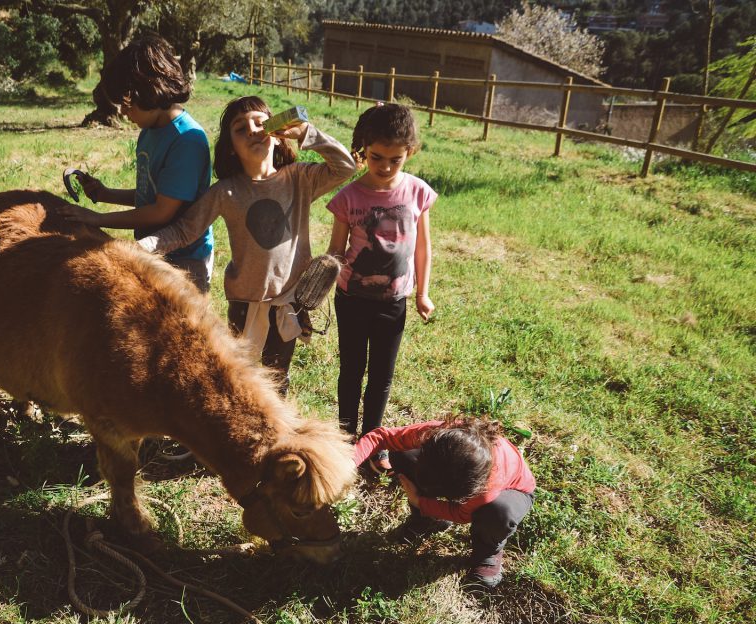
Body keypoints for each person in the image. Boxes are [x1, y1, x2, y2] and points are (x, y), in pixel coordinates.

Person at [137, 96, 356, 391]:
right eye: (240, 128)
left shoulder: (300, 180)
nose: (253, 130)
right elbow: (185, 231)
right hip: (243, 303)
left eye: (260, 123)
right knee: (241, 379)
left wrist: (306, 133)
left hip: (288, 302)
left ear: (278, 136)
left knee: (277, 379)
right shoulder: (225, 192)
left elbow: (346, 166)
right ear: (231, 147)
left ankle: (275, 433)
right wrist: (144, 245)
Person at [58, 33, 214, 292]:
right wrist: (106, 193)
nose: (121, 111)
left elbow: (161, 211)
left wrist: (96, 219)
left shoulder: (186, 140)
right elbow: (150, 196)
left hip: (185, 260)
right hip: (154, 249)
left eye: (126, 102)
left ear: (150, 92)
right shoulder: (149, 132)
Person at [325, 103, 436, 439]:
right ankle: (346, 437)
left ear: (410, 152)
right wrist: (316, 285)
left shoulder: (417, 192)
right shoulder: (349, 197)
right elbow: (336, 250)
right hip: (352, 298)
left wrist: (423, 293)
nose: (385, 166)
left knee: (381, 375)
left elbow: (422, 247)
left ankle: (373, 440)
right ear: (363, 151)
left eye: (395, 159)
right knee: (351, 370)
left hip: (393, 302)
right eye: (376, 157)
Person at [353, 416, 536, 588]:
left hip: (515, 491)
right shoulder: (438, 434)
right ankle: (429, 521)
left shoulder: (487, 486)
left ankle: (488, 550)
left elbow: (461, 514)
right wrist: (348, 463)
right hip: (456, 473)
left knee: (498, 513)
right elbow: (383, 437)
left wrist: (419, 501)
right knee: (402, 453)